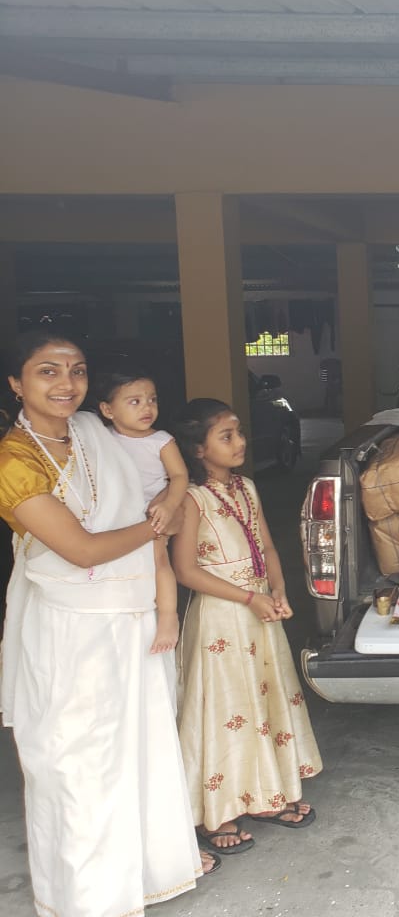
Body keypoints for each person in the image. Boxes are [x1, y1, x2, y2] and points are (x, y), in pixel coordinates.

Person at [0, 329, 209, 917]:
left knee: (139, 747)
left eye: (77, 370)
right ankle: (88, 899)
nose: (66, 383)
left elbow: (166, 483)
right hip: (71, 629)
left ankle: (144, 876)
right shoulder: (13, 461)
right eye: (47, 371)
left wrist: (170, 501)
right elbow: (82, 550)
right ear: (17, 383)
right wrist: (160, 521)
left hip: (132, 616)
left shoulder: (96, 432)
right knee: (75, 762)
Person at [171, 398, 323, 859]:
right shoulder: (191, 499)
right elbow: (185, 570)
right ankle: (218, 811)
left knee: (262, 701)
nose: (240, 442)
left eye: (238, 432)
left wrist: (277, 590)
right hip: (221, 619)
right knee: (227, 708)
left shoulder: (247, 488)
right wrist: (247, 598)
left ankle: (266, 794)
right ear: (198, 449)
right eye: (227, 436)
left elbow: (268, 548)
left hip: (259, 612)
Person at [98, 367, 188, 655]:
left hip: (153, 513)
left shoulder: (161, 440)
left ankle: (168, 617)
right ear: (108, 410)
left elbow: (179, 477)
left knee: (159, 559)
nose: (147, 407)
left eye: (152, 399)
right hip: (117, 516)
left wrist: (169, 505)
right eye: (135, 401)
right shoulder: (101, 439)